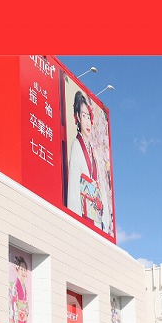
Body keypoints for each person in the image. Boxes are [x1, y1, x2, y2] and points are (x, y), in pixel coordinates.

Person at [66, 91, 104, 227]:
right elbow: (73, 185)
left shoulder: (94, 152)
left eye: (89, 117)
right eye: (84, 116)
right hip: (82, 212)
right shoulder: (76, 145)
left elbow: (100, 187)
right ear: (78, 117)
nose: (88, 122)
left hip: (95, 213)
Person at [8, 255, 29, 323]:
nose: (23, 272)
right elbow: (13, 303)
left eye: (25, 270)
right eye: (21, 269)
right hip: (17, 316)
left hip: (23, 317)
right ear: (17, 270)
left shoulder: (24, 287)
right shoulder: (15, 285)